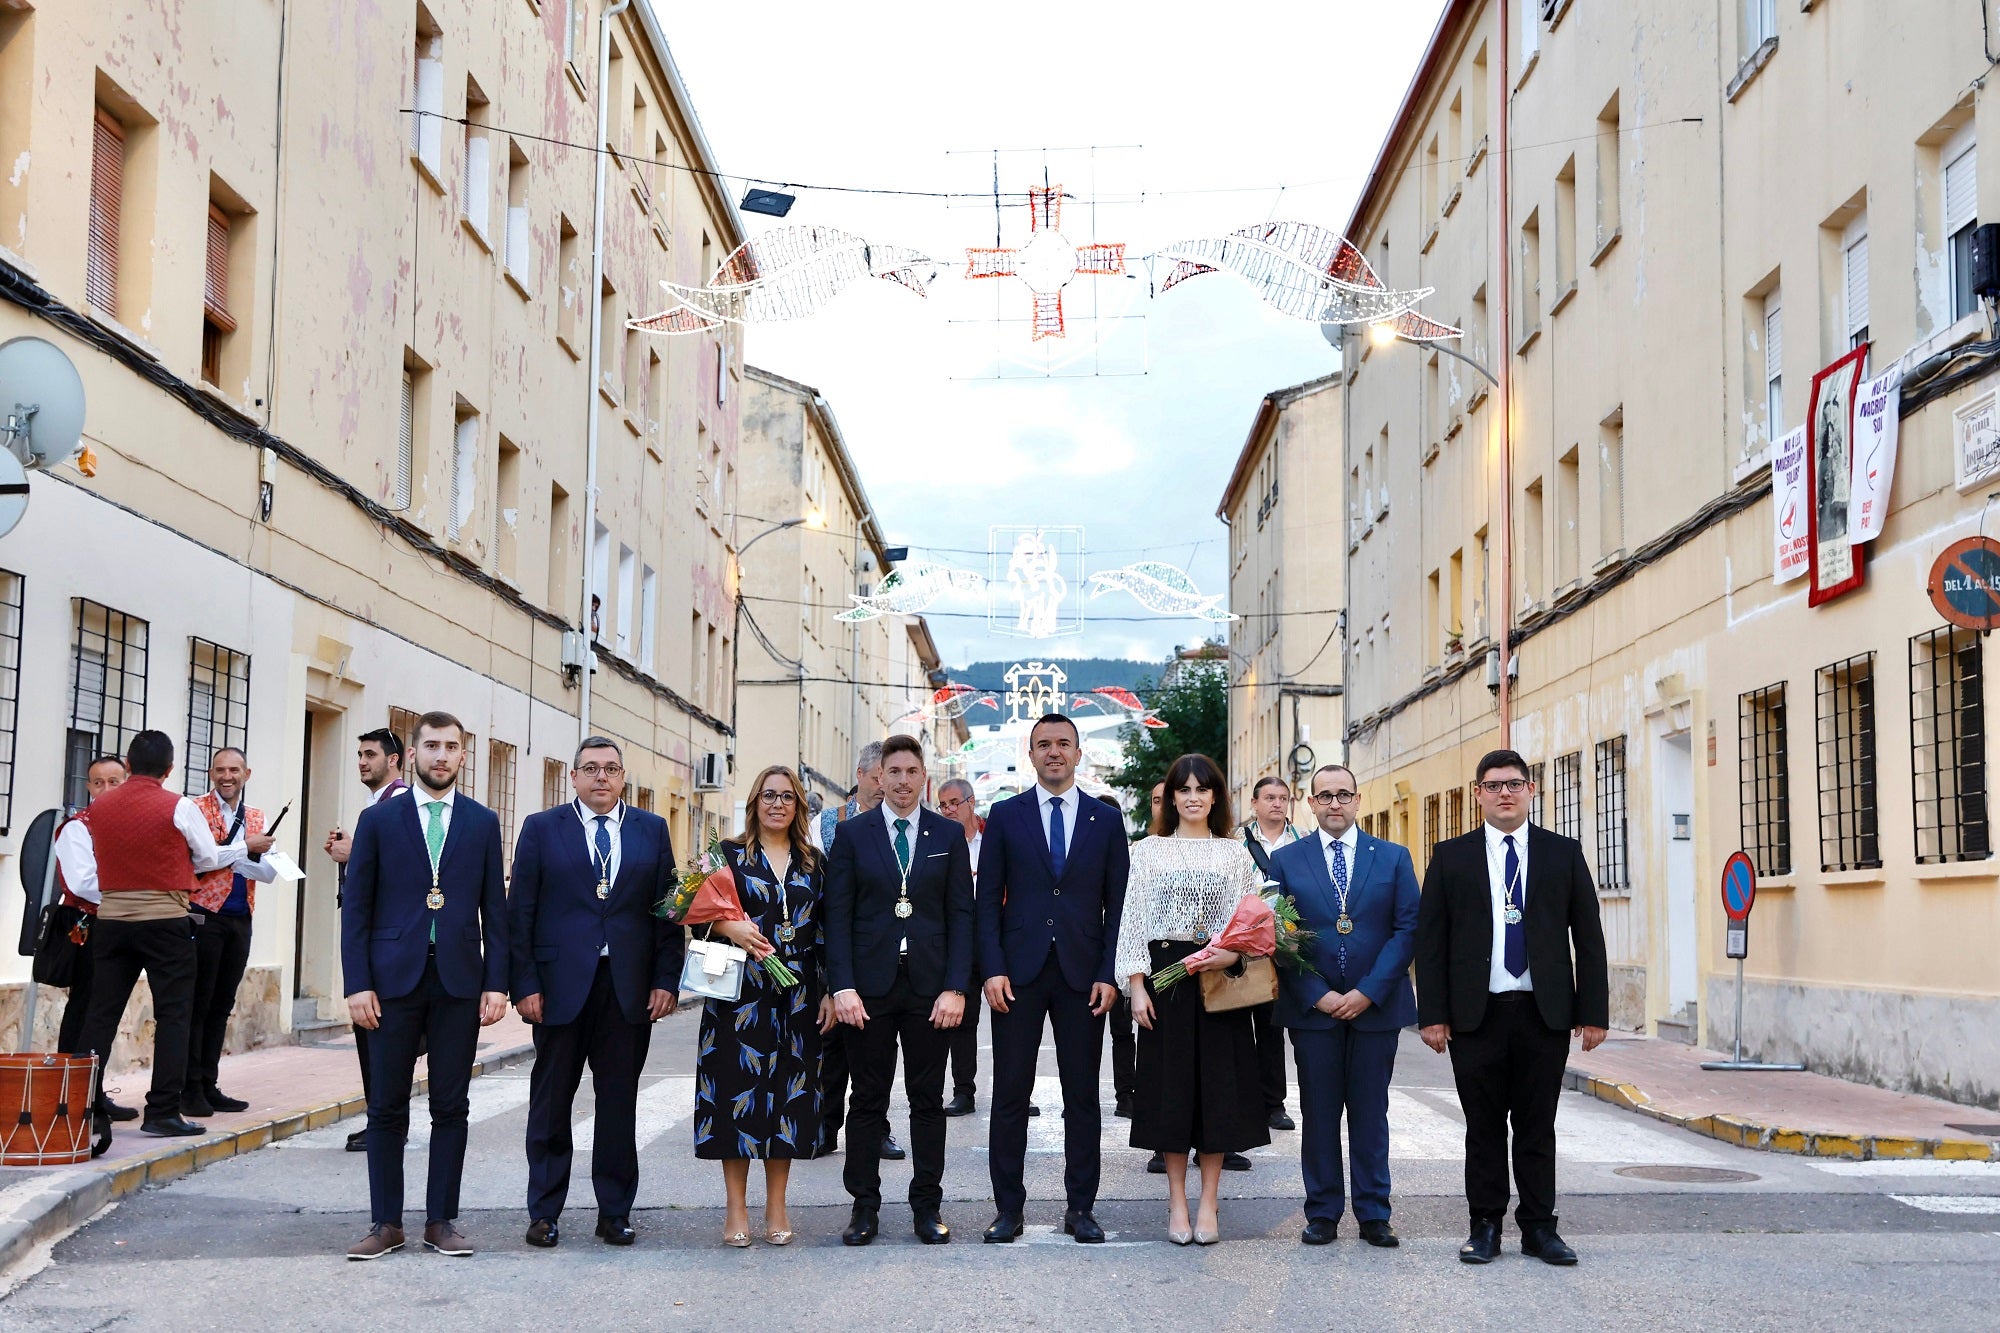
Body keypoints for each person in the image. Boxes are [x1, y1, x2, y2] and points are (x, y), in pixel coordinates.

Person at [1416, 749, 1609, 1267]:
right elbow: (1430, 942)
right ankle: (1485, 1226)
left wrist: (1593, 1012)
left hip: (1543, 1013)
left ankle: (1540, 1228)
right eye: (1495, 785)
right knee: (1483, 1127)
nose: (1505, 792)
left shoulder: (1562, 854)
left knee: (1536, 1124)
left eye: (1515, 784)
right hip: (1475, 1015)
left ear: (1531, 790)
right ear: (1477, 793)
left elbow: (1588, 937)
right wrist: (1431, 1013)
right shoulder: (1450, 856)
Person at [341, 712, 508, 1261]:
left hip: (459, 979)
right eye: (431, 746)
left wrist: (496, 982)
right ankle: (386, 1222)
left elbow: (496, 911)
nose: (441, 756)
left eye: (451, 747)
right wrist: (358, 983)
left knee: (451, 1105)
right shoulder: (380, 821)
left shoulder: (482, 823)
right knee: (386, 1107)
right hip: (390, 982)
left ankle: (441, 1220)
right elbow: (357, 909)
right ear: (411, 755)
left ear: (464, 757)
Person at [511, 737, 683, 1249]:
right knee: (550, 1102)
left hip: (626, 989)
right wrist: (525, 984)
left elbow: (668, 913)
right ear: (574, 777)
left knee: (617, 1105)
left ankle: (614, 1212)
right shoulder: (542, 829)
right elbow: (521, 911)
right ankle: (544, 1212)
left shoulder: (651, 831)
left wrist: (665, 980)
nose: (601, 778)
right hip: (559, 988)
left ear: (623, 777)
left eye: (611, 769)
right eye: (591, 769)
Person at [977, 713, 1127, 1245]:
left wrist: (1110, 973)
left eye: (1064, 743)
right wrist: (991, 968)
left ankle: (1081, 1209)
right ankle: (1008, 1210)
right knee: (1010, 1095)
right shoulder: (1004, 815)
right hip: (1017, 975)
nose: (1055, 752)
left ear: (1079, 753)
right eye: (1044, 745)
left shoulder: (1106, 822)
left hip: (1083, 977)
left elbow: (1119, 906)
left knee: (1082, 1096)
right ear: (1031, 754)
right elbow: (986, 901)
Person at [826, 735, 974, 1247]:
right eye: (895, 772)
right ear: (879, 777)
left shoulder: (947, 835)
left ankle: (926, 1208)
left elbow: (962, 915)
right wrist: (840, 985)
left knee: (927, 1101)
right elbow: (837, 916)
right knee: (866, 1100)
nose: (904, 781)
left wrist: (957, 987)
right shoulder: (853, 835)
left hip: (931, 990)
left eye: (913, 772)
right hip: (867, 991)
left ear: (923, 777)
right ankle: (863, 1207)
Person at [1121, 753, 1271, 1246]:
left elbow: (1250, 922)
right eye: (1183, 789)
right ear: (1171, 797)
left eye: (1201, 789)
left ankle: (1209, 1202)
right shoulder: (1147, 851)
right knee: (1170, 1094)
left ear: (1215, 797)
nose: (1192, 797)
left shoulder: (1233, 853)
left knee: (1217, 1093)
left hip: (1217, 981)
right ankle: (1177, 1203)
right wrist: (1137, 986)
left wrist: (1227, 956)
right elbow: (1132, 920)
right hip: (1166, 978)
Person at [59, 731, 239, 1140]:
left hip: (112, 920)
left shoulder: (98, 811)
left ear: (129, 762)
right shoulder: (178, 805)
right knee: (175, 1014)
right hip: (165, 920)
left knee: (100, 1014)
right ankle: (161, 1112)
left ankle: (83, 1110)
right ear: (170, 768)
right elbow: (209, 856)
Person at [1268, 763, 1419, 1248]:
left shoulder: (1393, 858)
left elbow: (1406, 929)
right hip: (1314, 1010)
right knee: (1319, 1110)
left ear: (1358, 801)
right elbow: (1276, 935)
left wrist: (1368, 992)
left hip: (1376, 1006)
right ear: (1310, 804)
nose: (1335, 803)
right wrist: (1319, 994)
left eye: (1343, 795)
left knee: (1371, 1112)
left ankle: (1375, 1213)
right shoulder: (1287, 861)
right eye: (1324, 796)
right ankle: (1323, 1212)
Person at [695, 765, 836, 1247]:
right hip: (739, 995)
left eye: (788, 797)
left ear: (799, 806)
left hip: (797, 995)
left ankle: (777, 1204)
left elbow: (826, 933)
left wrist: (831, 991)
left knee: (788, 1100)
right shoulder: (725, 855)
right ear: (755, 802)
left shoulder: (815, 863)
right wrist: (726, 927)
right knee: (735, 1097)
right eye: (768, 795)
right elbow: (683, 910)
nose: (778, 804)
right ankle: (736, 1208)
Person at [812, 742, 901, 1163]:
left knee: (877, 1052)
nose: (888, 784)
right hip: (833, 946)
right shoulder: (826, 822)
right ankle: (825, 1128)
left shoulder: (900, 823)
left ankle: (876, 1129)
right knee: (830, 1043)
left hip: (884, 951)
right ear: (863, 775)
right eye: (881, 775)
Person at [327, 727, 410, 1152]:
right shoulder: (375, 804)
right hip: (377, 936)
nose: (362, 761)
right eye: (359, 754)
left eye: (371, 754)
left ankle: (387, 1124)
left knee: (381, 1036)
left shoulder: (399, 805)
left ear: (394, 760)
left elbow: (400, 869)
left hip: (388, 939)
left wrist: (352, 854)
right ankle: (382, 1120)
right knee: (372, 1036)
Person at [185, 747, 279, 1118]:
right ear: (211, 773)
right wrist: (244, 849)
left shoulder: (256, 816)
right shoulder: (194, 809)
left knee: (221, 1005)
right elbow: (200, 859)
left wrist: (249, 857)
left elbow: (267, 871)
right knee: (198, 1003)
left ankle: (209, 1084)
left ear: (247, 774)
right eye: (221, 770)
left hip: (241, 918)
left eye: (234, 770)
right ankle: (188, 1087)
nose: (227, 776)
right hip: (203, 916)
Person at [50, 756, 138, 1123]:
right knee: (86, 1008)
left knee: (104, 1013)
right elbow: (84, 883)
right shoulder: (77, 829)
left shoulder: (133, 826)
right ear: (88, 787)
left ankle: (92, 1092)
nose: (105, 789)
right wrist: (134, 895)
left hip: (120, 923)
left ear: (127, 782)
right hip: (89, 925)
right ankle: (73, 1097)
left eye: (114, 782)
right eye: (98, 783)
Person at [1240, 775, 1300, 1133]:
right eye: (1270, 797)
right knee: (1238, 1024)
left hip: (1289, 942)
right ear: (1255, 803)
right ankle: (1244, 1100)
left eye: (1283, 797)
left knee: (1274, 1024)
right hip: (1244, 943)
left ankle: (1274, 1103)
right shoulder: (1235, 841)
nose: (1277, 803)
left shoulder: (1304, 840)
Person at [936, 778, 983, 1116]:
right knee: (961, 1019)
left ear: (971, 802)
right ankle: (963, 1091)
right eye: (943, 804)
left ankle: (1019, 1092)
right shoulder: (939, 842)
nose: (949, 809)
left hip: (993, 939)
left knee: (1010, 1019)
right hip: (955, 940)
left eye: (954, 802)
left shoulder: (993, 839)